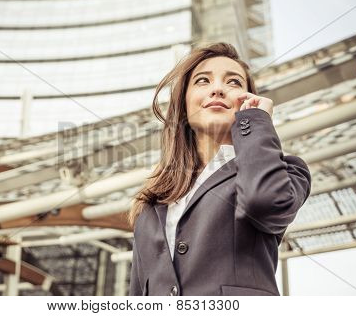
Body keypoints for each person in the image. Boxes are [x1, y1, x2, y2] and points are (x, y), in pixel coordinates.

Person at [127, 43, 311, 296]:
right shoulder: (151, 201)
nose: (217, 89)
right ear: (184, 103)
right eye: (202, 81)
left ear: (248, 101)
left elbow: (264, 203)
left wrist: (256, 122)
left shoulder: (287, 171)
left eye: (234, 83)